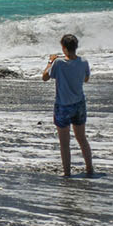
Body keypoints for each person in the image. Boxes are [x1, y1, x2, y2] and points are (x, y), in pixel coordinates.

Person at [41, 33, 93, 178]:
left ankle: (67, 172)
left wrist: (50, 61)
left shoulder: (59, 63)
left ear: (64, 48)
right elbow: (86, 79)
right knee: (81, 138)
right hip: (79, 103)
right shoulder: (83, 61)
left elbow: (45, 77)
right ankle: (90, 168)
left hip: (63, 105)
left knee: (64, 143)